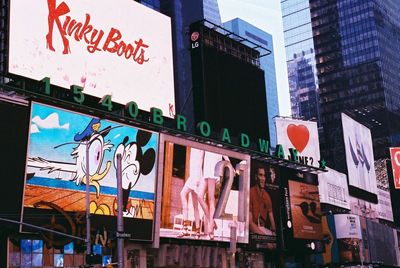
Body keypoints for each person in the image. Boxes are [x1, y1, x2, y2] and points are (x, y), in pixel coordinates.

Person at [178, 148, 204, 238]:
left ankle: (188, 228)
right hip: (192, 176)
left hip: (195, 177)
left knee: (184, 195)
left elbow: (200, 160)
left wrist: (197, 178)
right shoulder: (192, 146)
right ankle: (195, 230)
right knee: (194, 204)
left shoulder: (200, 146)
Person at [249, 165, 276, 235]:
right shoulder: (250, 193)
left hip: (262, 231)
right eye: (260, 175)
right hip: (251, 231)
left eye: (264, 176)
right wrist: (264, 238)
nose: (263, 178)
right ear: (256, 177)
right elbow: (249, 223)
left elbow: (273, 225)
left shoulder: (267, 197)